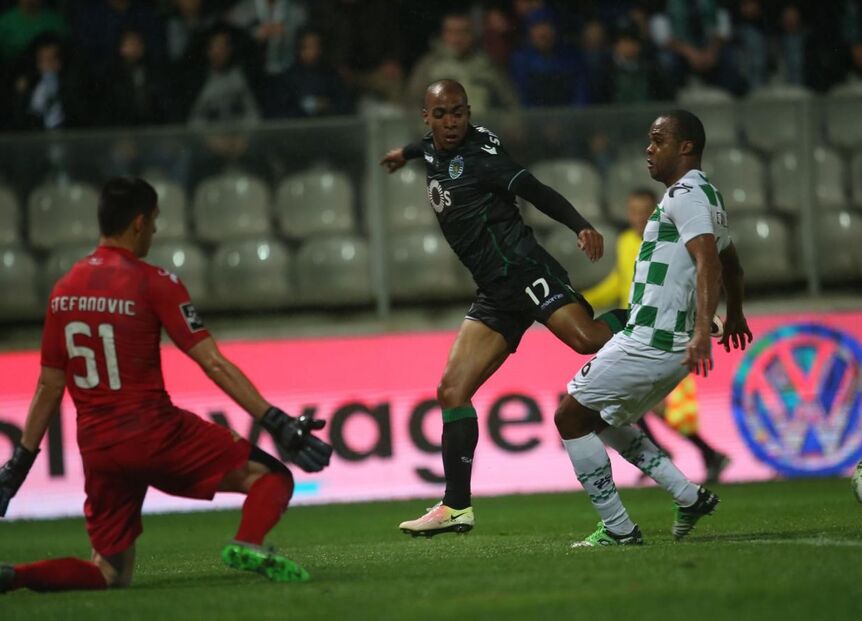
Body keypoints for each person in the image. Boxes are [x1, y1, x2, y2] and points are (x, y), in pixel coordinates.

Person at [0, 177, 332, 592]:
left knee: (109, 574)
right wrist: (275, 420)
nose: (154, 232)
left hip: (98, 447)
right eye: (154, 222)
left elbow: (49, 387)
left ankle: (14, 577)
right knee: (273, 478)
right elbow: (211, 361)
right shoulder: (154, 281)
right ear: (139, 223)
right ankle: (248, 544)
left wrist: (18, 466)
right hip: (155, 433)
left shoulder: (63, 290)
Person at [380, 79, 628, 537]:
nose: (451, 123)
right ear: (426, 117)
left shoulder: (482, 157)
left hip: (523, 268)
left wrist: (581, 225)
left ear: (468, 111)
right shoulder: (433, 148)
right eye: (441, 115)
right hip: (494, 290)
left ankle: (657, 315)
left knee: (586, 340)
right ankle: (456, 507)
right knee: (452, 391)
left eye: (459, 112)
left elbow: (536, 190)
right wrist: (403, 154)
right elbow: (424, 148)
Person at [554, 110, 752, 547]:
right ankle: (687, 495)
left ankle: (619, 528)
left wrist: (705, 329)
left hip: (654, 339)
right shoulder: (707, 196)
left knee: (569, 414)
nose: (649, 148)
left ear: (685, 147)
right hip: (663, 340)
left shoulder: (686, 195)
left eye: (658, 140)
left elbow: (709, 261)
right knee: (601, 417)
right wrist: (734, 313)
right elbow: (730, 262)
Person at [584, 188, 731, 485]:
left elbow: (691, 281)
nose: (638, 218)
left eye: (644, 212)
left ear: (657, 212)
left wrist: (703, 319)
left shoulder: (673, 240)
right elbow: (619, 283)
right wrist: (581, 300)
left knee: (641, 404)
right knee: (641, 404)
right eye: (633, 212)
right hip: (634, 333)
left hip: (666, 333)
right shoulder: (626, 242)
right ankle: (701, 454)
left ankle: (668, 455)